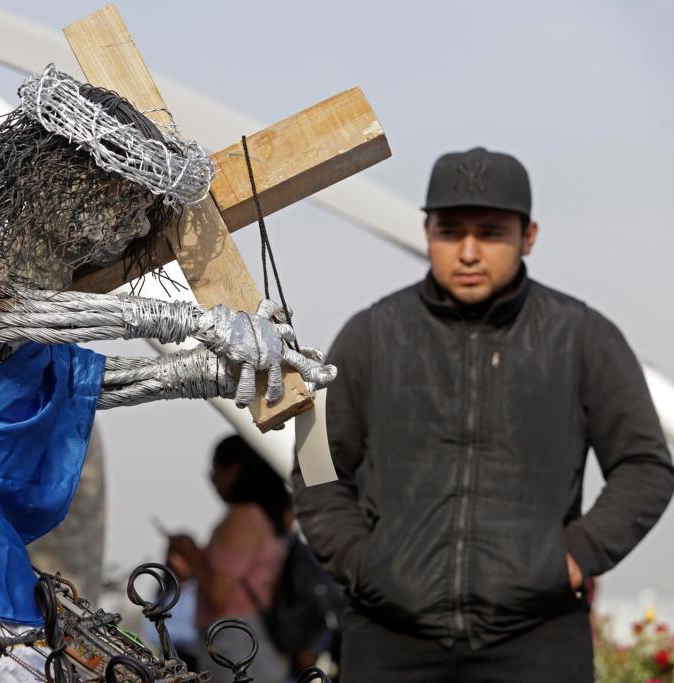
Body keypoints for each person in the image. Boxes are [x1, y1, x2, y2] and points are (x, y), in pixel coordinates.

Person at [291, 146, 674, 682]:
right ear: (427, 232)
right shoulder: (369, 335)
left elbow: (646, 465)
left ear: (529, 236)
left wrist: (572, 558)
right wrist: (364, 564)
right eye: (450, 232)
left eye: (491, 233)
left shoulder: (584, 338)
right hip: (390, 637)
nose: (468, 252)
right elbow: (314, 465)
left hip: (535, 638)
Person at [167, 435, 290, 682]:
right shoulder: (267, 517)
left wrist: (191, 553)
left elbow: (218, 593)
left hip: (235, 641)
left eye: (215, 471)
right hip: (250, 640)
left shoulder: (244, 519)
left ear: (235, 470)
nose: (212, 481)